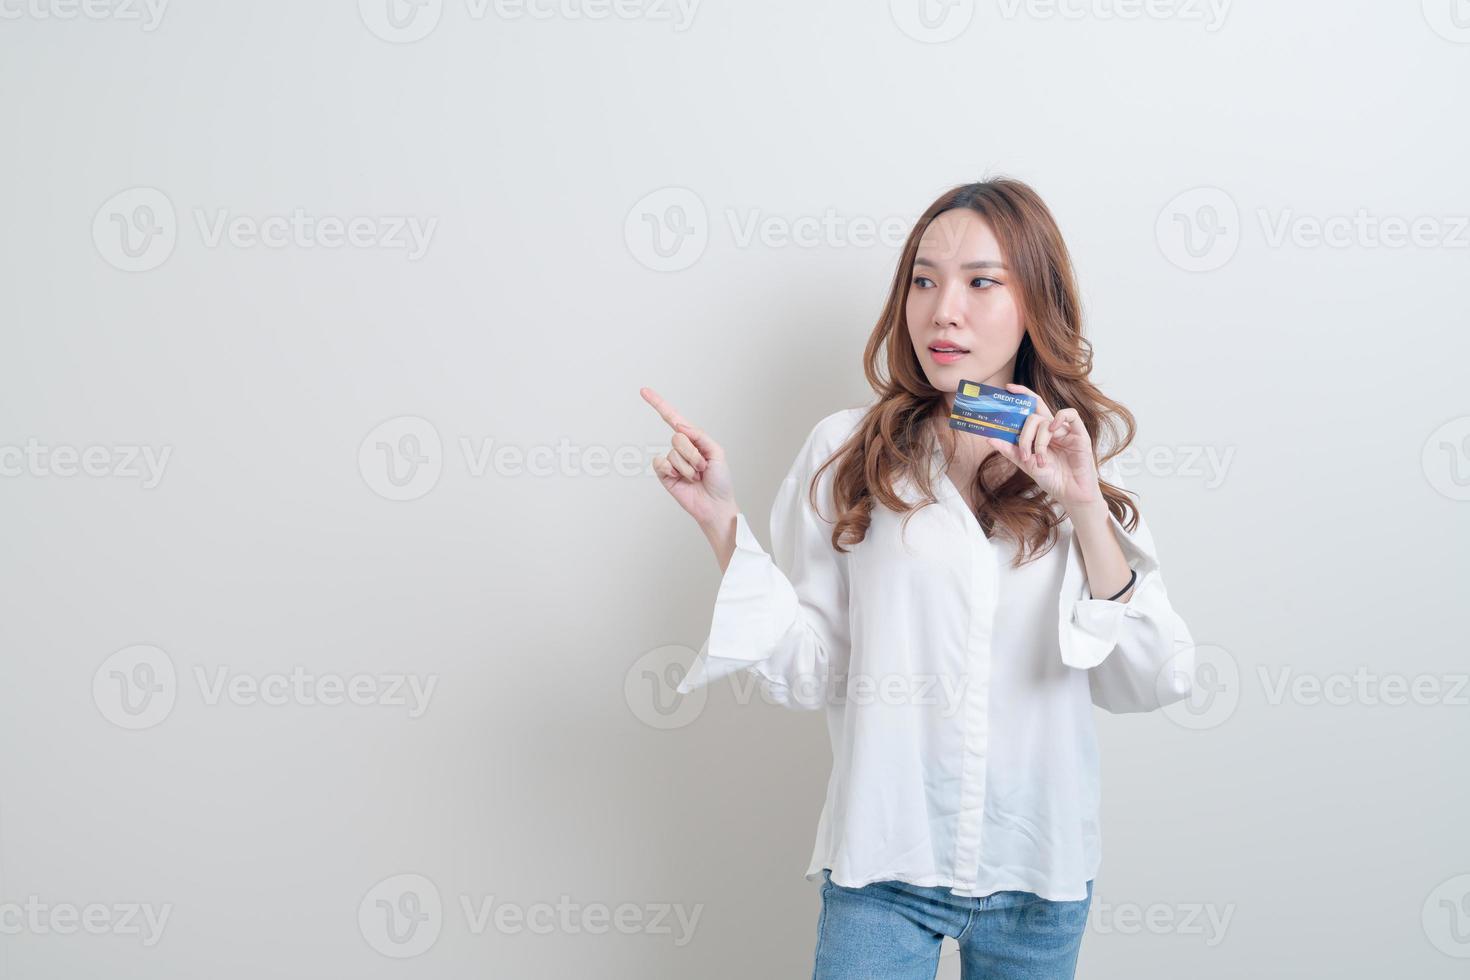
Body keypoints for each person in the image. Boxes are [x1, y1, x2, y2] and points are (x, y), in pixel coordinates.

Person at [640, 177, 1197, 980]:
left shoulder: (1078, 466)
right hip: (884, 863)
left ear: (1035, 303)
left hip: (1037, 873)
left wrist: (1080, 505)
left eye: (981, 282)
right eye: (925, 280)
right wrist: (722, 525)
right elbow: (810, 669)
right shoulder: (847, 451)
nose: (944, 310)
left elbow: (1155, 675)